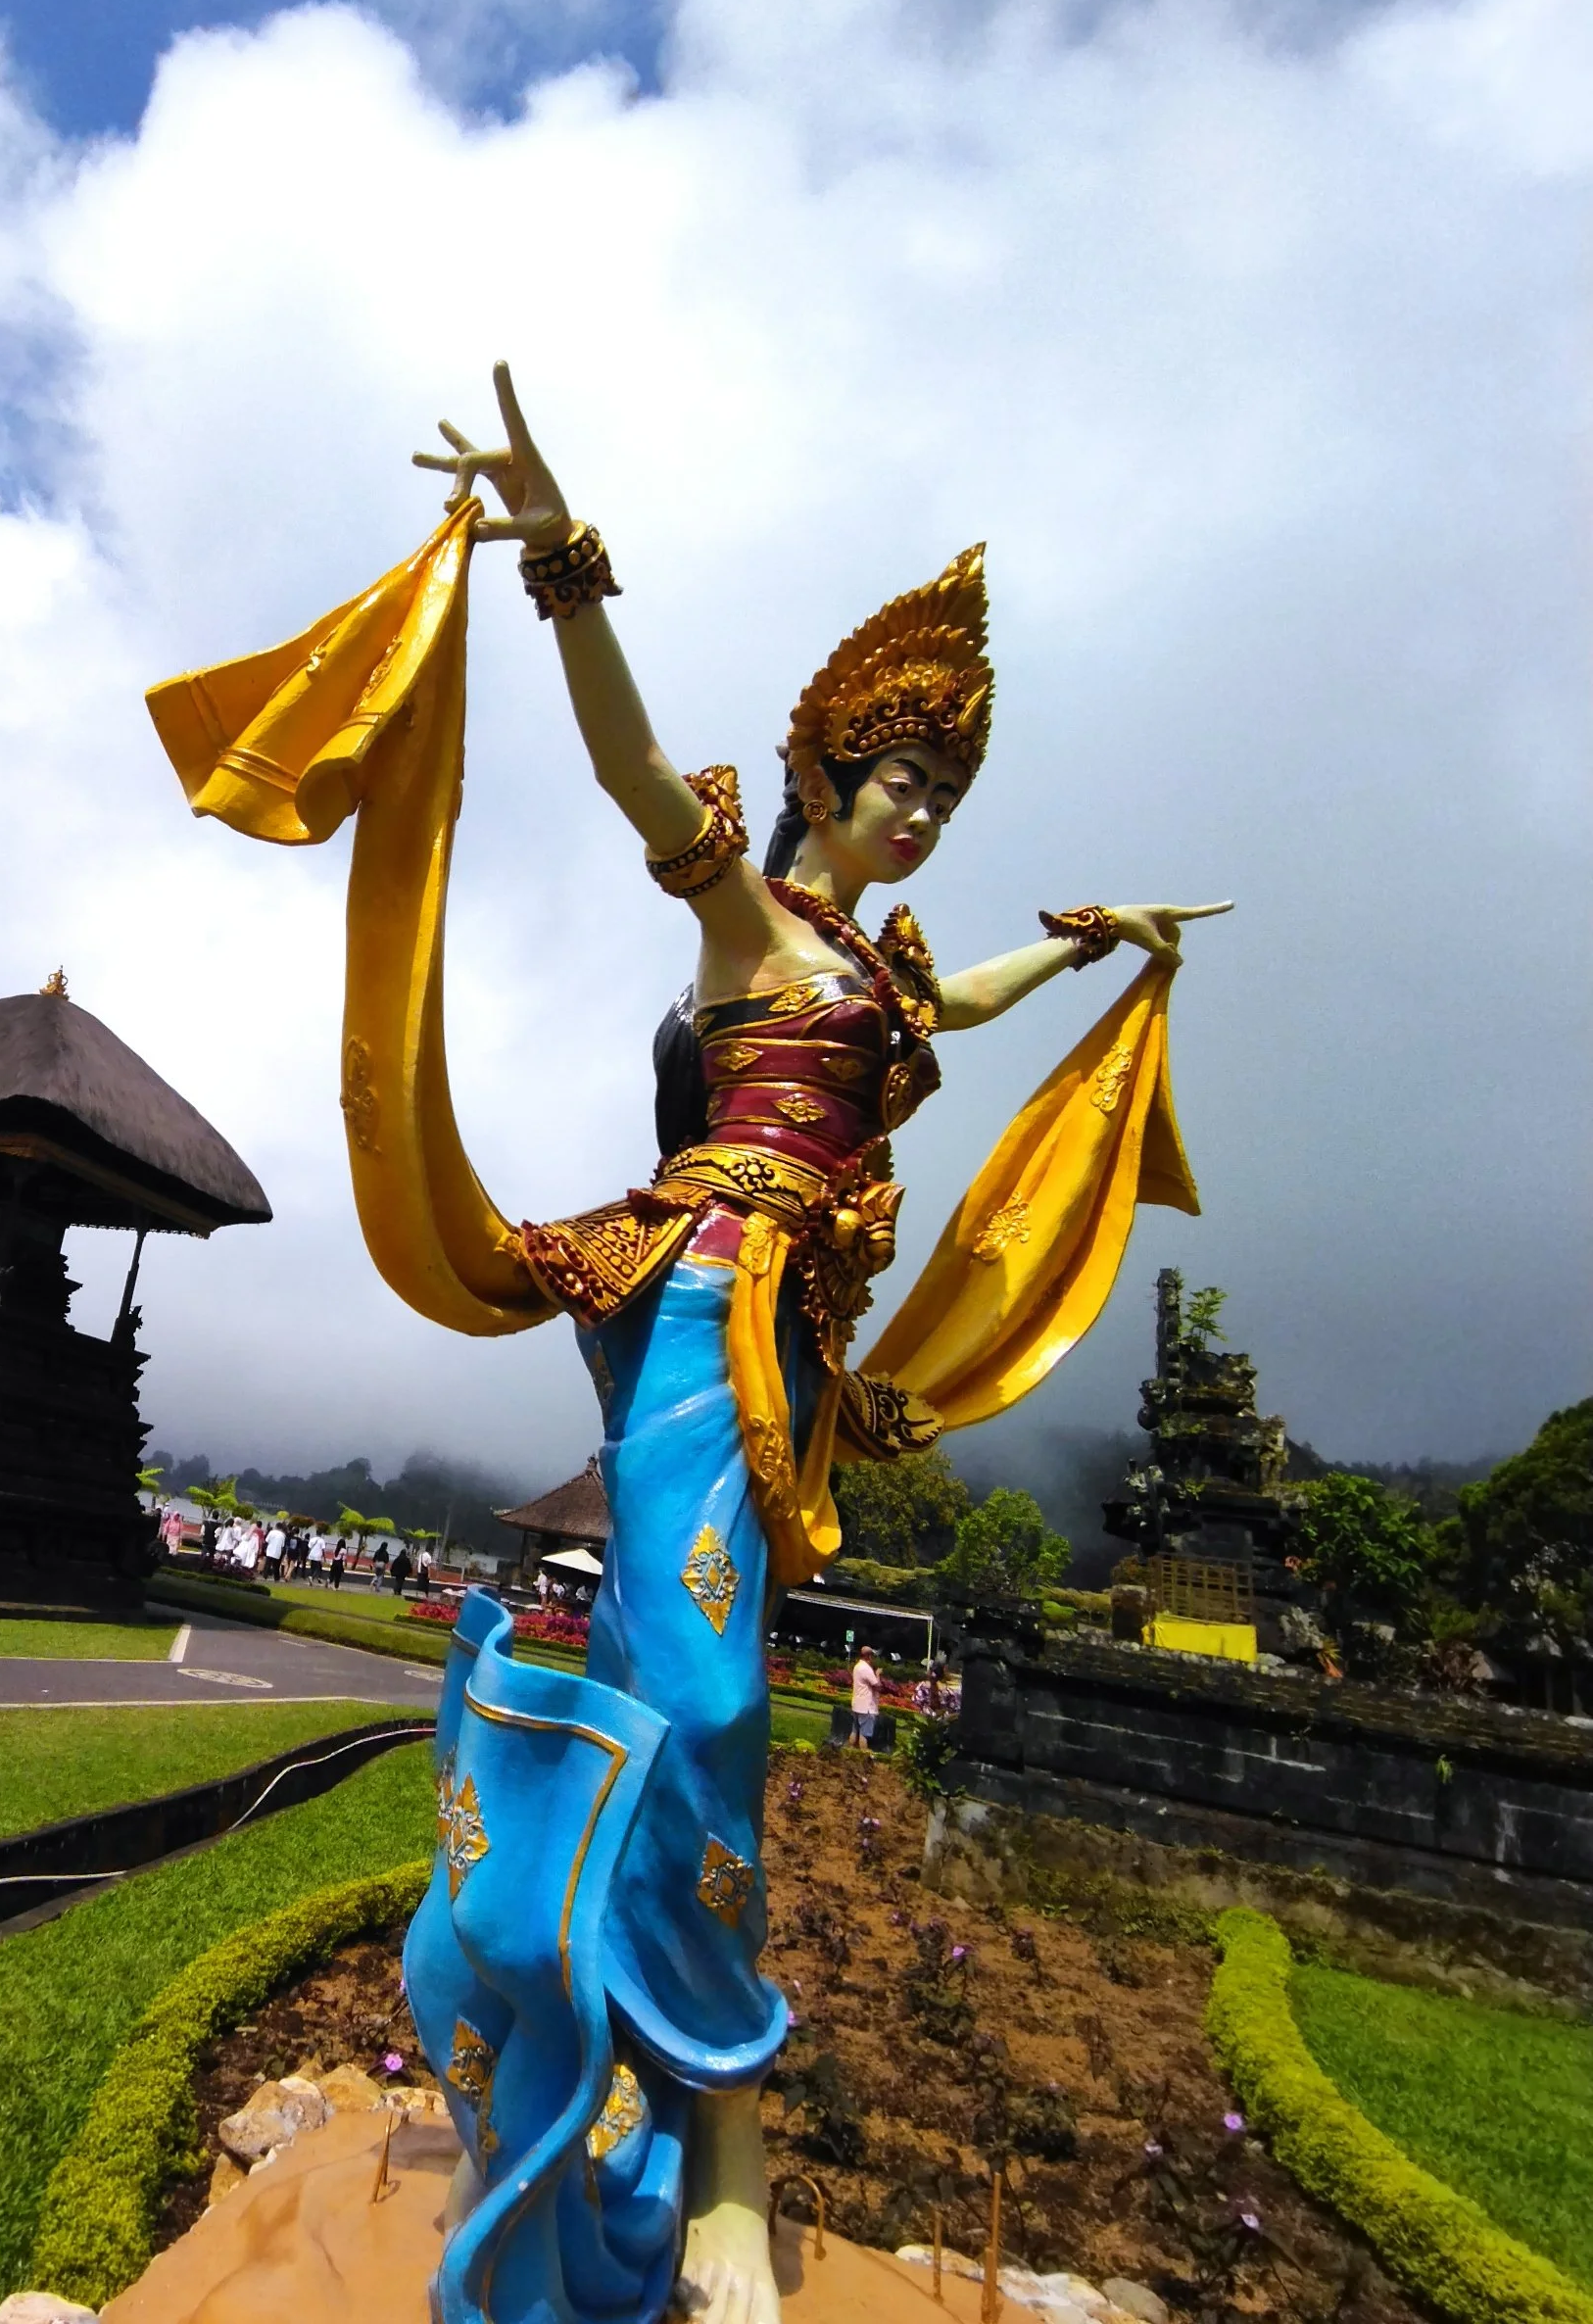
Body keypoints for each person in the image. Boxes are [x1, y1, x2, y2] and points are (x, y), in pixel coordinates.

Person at [396, 366, 1229, 2324]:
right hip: (701, 1299)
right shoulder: (751, 930)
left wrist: (1102, 949)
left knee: (703, 1700)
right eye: (901, 781)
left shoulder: (886, 969)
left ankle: (662, 2132)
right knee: (700, 1702)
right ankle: (689, 2161)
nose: (924, 812)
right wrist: (565, 562)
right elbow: (625, 773)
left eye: (945, 792)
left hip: (806, 1364)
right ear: (827, 776)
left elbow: (964, 1001)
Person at [850, 1645, 882, 1754]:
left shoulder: (857, 1666)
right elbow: (877, 1686)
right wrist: (877, 1675)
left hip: (856, 1704)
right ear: (869, 1656)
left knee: (854, 1730)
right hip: (866, 1707)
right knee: (864, 1734)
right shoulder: (866, 1669)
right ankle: (863, 1755)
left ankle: (849, 1752)